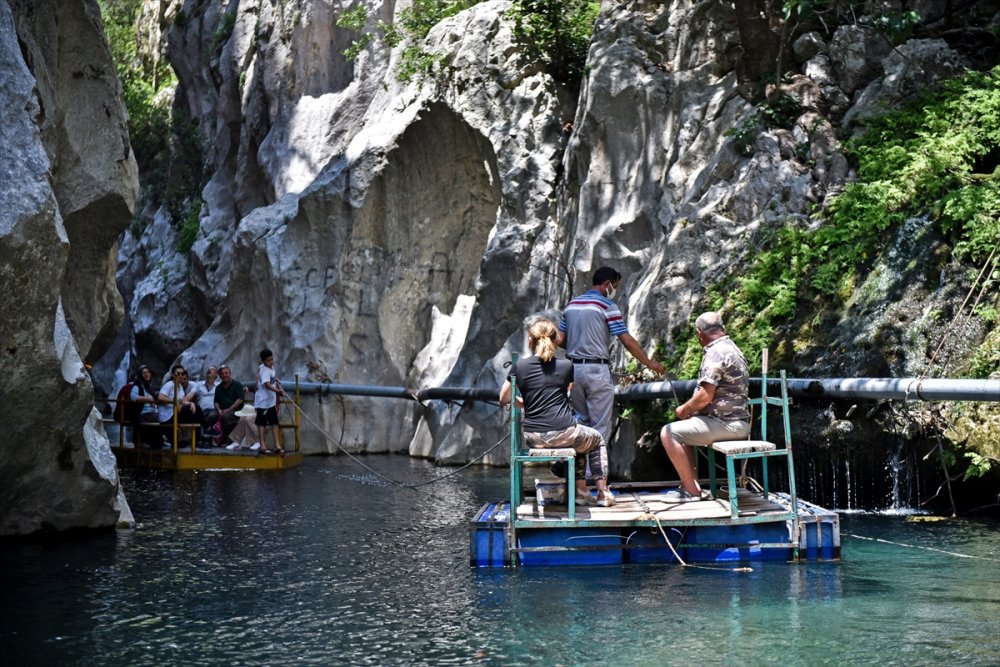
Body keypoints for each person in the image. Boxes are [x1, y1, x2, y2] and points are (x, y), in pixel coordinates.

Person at [500, 318, 616, 507]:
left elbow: (504, 398)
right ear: (555, 341)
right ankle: (603, 493)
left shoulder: (519, 366)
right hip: (564, 431)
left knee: (580, 441)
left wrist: (524, 403)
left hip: (533, 437)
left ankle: (581, 492)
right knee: (595, 439)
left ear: (531, 341)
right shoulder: (566, 366)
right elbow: (566, 390)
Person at [556, 266, 665, 446]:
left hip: (573, 371)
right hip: (596, 370)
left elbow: (560, 339)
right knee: (600, 426)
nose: (614, 290)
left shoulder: (571, 305)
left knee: (580, 420)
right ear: (607, 284)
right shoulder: (607, 306)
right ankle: (597, 472)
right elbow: (627, 341)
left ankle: (578, 470)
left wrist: (578, 343)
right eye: (615, 286)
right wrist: (649, 363)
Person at [659, 311, 751, 501]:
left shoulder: (715, 352)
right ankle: (690, 485)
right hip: (736, 421)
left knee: (668, 432)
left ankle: (691, 491)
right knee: (684, 432)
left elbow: (705, 396)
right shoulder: (732, 348)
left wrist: (684, 409)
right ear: (723, 328)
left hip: (726, 423)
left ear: (699, 334)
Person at [254, 348, 285, 454]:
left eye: (272, 359)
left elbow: (270, 378)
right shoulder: (264, 370)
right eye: (268, 360)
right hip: (262, 402)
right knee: (261, 423)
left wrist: (275, 379)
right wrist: (277, 391)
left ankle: (277, 445)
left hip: (270, 402)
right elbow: (267, 385)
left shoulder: (270, 368)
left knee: (274, 422)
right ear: (263, 361)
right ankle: (262, 445)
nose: (271, 362)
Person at [157, 364, 203, 432]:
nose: (180, 375)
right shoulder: (170, 384)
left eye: (182, 373)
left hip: (176, 413)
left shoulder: (180, 386)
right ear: (173, 375)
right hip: (168, 415)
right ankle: (207, 428)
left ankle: (196, 439)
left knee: (195, 411)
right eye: (178, 373)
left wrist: (191, 403)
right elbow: (160, 397)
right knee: (195, 411)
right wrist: (175, 401)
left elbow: (183, 401)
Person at [186, 365, 221, 441]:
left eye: (212, 369)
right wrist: (185, 400)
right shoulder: (198, 384)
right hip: (201, 411)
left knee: (211, 416)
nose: (209, 370)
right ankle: (204, 438)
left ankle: (202, 439)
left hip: (213, 410)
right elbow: (191, 394)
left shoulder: (219, 385)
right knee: (197, 415)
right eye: (208, 369)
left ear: (216, 374)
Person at [130, 365, 161, 448]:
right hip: (142, 413)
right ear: (140, 375)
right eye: (144, 373)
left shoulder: (149, 386)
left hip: (151, 412)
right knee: (163, 418)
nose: (146, 374)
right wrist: (147, 399)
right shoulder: (138, 385)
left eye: (148, 372)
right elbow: (133, 396)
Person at [213, 365, 246, 443]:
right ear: (219, 375)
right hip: (222, 411)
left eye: (226, 373)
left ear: (230, 373)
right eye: (222, 374)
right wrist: (219, 409)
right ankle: (206, 441)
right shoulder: (218, 387)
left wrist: (229, 409)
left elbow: (240, 400)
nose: (224, 375)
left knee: (226, 417)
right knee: (210, 416)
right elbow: (216, 401)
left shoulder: (237, 385)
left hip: (236, 411)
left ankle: (227, 440)